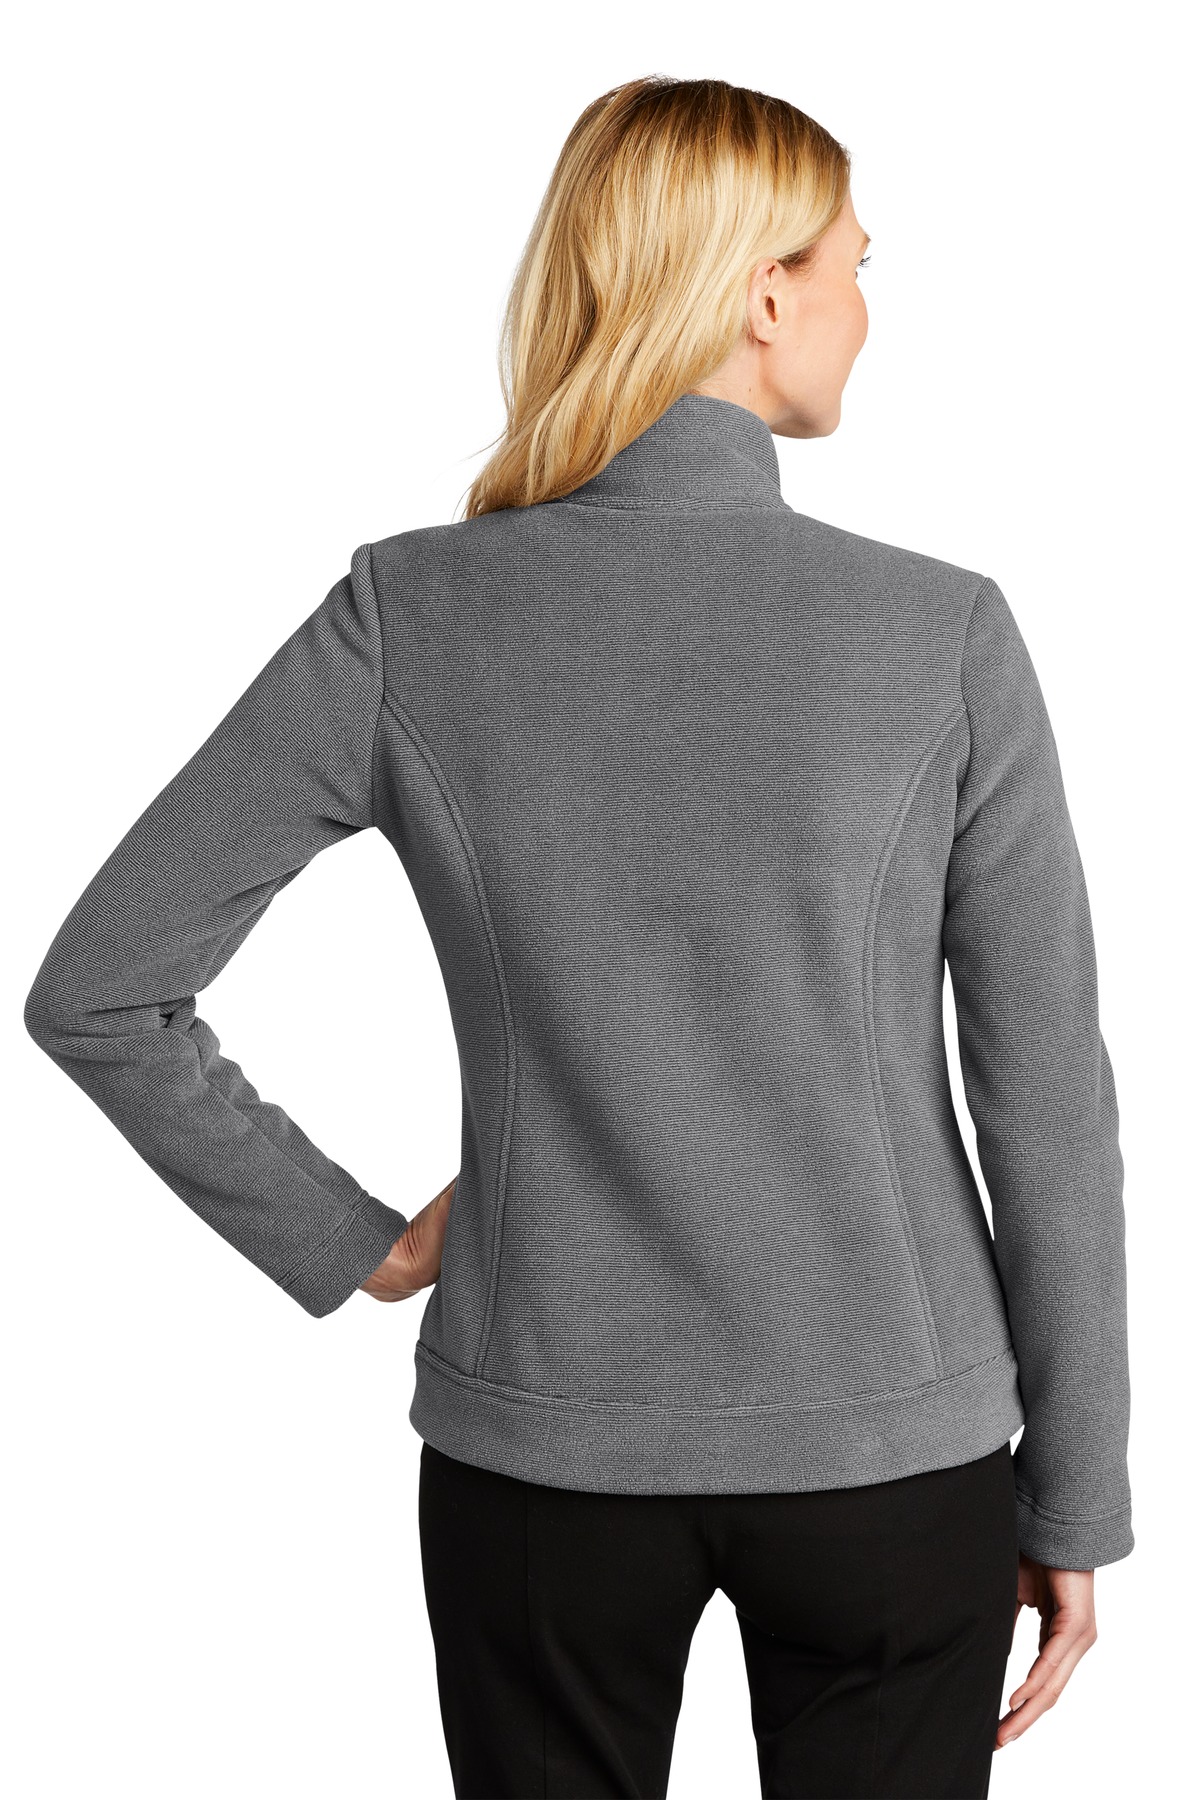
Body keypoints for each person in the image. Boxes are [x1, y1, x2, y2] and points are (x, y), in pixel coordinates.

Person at [23, 73, 1132, 1800]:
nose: (866, 301)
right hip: (890, 1458)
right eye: (856, 260)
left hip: (540, 1458)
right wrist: (1075, 1494)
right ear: (765, 294)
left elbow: (104, 988)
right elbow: (1047, 1106)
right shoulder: (942, 634)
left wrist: (354, 1241)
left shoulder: (411, 616)